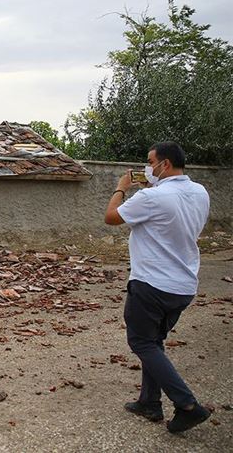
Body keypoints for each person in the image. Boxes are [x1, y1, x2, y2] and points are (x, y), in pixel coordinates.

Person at [103, 141, 212, 433]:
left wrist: (121, 187)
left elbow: (111, 217)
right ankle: (149, 403)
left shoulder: (152, 197)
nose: (147, 168)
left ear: (164, 165)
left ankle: (187, 405)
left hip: (151, 284)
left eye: (150, 162)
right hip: (184, 284)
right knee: (154, 342)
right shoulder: (200, 192)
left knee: (141, 342)